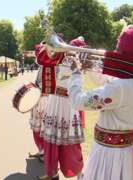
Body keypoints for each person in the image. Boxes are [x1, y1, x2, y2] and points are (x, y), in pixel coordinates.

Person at [68, 26, 133, 180]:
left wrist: (76, 72)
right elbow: (106, 81)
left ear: (127, 55)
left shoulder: (121, 87)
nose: (115, 52)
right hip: (124, 154)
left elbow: (77, 101)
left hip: (109, 157)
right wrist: (87, 64)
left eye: (118, 48)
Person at [38, 38, 86, 180]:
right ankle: (51, 172)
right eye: (71, 49)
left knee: (71, 144)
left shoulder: (82, 65)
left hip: (69, 105)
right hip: (55, 101)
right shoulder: (60, 58)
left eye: (76, 51)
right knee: (51, 141)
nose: (72, 53)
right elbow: (41, 57)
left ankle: (79, 174)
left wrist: (77, 65)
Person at [28, 44, 47, 160]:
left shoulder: (50, 67)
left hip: (46, 101)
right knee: (37, 127)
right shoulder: (40, 67)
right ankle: (41, 150)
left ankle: (46, 152)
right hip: (38, 100)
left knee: (45, 127)